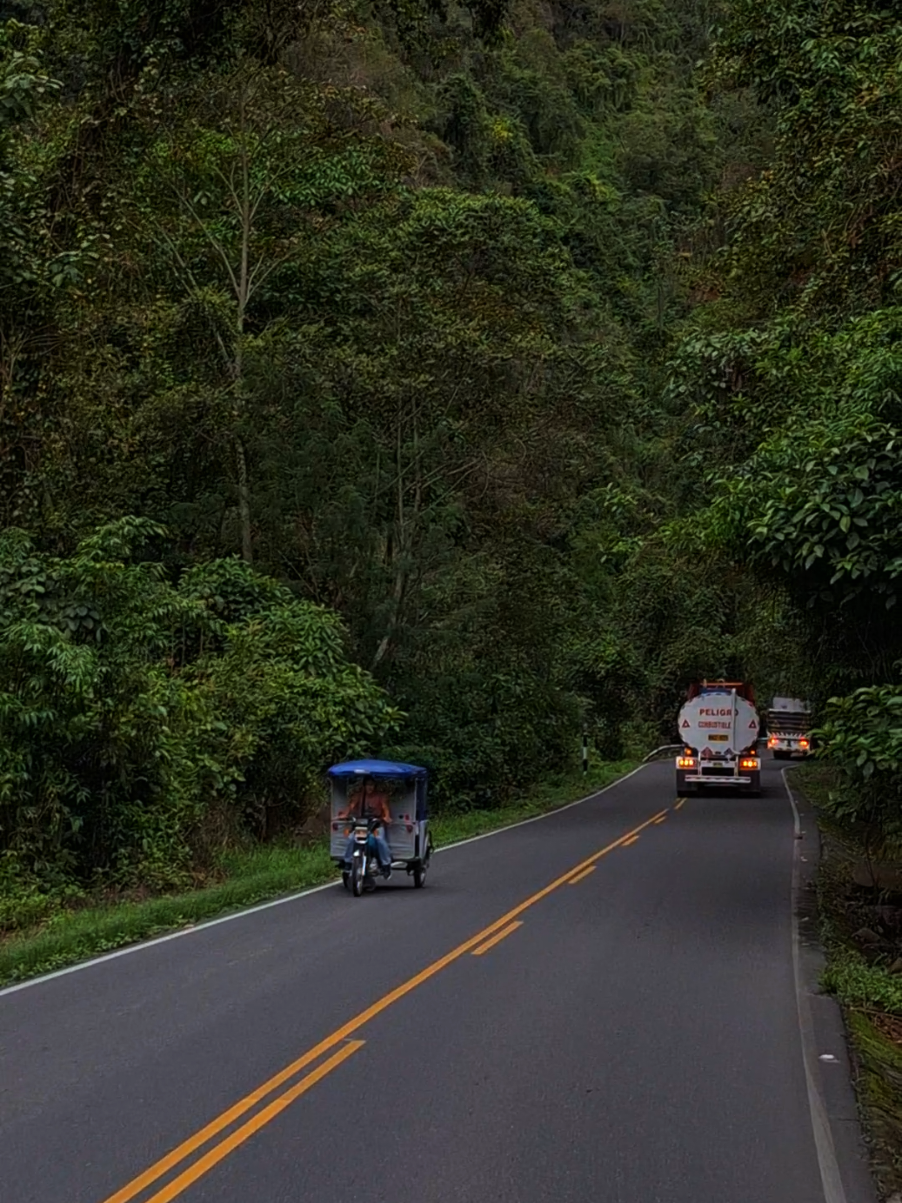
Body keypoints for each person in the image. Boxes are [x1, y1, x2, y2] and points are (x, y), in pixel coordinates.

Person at [339, 776, 393, 879]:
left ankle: (386, 865)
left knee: (380, 839)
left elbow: (385, 807)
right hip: (361, 824)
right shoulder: (358, 796)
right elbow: (351, 806)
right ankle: (348, 862)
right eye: (368, 785)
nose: (370, 787)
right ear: (364, 786)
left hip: (376, 824)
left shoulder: (380, 796)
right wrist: (345, 814)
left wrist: (387, 817)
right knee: (351, 838)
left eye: (372, 785)